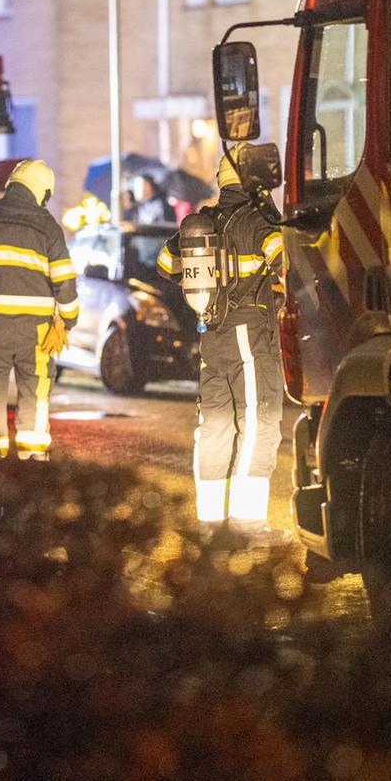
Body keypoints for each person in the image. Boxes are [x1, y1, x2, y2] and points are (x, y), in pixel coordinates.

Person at [157, 145, 285, 529]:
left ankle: (210, 516)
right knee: (258, 419)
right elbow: (287, 262)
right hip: (250, 334)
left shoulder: (205, 219)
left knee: (214, 424)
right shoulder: (258, 220)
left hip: (211, 334)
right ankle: (247, 522)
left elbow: (166, 265)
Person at [0, 159, 80, 456]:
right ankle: (33, 456)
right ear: (41, 191)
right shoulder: (47, 227)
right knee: (35, 390)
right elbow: (65, 280)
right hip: (36, 331)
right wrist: (68, 321)